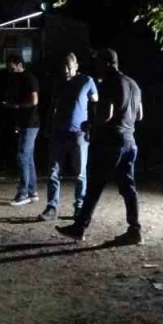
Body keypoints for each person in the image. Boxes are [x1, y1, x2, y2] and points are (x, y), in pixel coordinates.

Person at [57, 48, 143, 244]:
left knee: (95, 186)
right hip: (130, 141)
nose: (96, 68)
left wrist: (90, 123)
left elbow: (106, 115)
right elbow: (139, 115)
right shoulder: (134, 84)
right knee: (128, 188)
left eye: (98, 64)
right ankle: (135, 229)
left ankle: (79, 227)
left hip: (111, 142)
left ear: (106, 63)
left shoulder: (110, 83)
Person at [38, 52, 98, 221]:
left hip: (79, 134)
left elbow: (96, 102)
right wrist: (48, 127)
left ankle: (79, 207)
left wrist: (92, 124)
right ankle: (52, 207)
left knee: (80, 173)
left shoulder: (86, 81)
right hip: (58, 132)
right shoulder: (58, 83)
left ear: (76, 66)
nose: (66, 70)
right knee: (53, 171)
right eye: (63, 67)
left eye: (69, 67)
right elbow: (52, 106)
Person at [2, 55, 41, 205]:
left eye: (12, 67)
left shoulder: (29, 78)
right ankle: (32, 192)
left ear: (19, 64)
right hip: (25, 123)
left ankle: (23, 193)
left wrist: (16, 105)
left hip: (31, 123)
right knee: (28, 157)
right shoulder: (17, 79)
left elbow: (34, 100)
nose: (10, 70)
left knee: (23, 156)